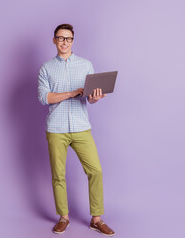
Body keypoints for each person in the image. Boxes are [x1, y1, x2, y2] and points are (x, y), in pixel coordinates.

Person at [37, 24, 115, 236]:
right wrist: (71, 93)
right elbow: (44, 98)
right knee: (58, 175)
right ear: (54, 40)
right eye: (60, 38)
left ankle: (96, 219)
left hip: (81, 127)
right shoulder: (46, 68)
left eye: (68, 39)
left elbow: (89, 98)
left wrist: (94, 98)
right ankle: (63, 218)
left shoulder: (85, 65)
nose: (64, 42)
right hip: (56, 128)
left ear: (73, 41)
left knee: (95, 170)